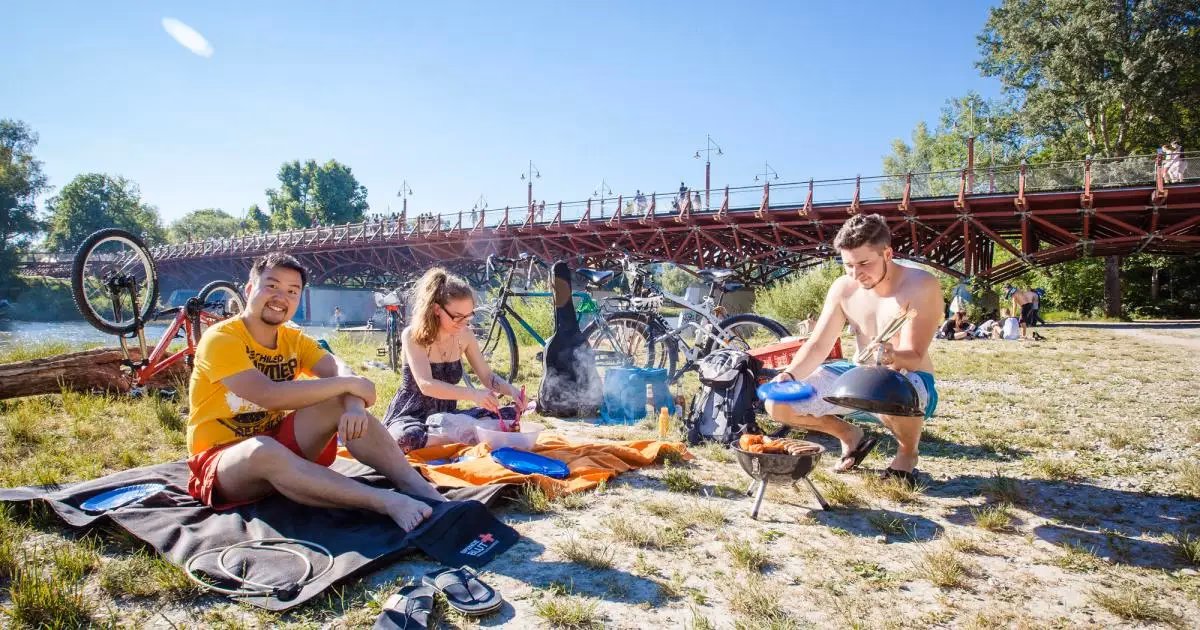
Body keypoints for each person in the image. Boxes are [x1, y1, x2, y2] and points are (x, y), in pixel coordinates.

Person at [186, 252, 443, 531]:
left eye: (292, 291)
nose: (280, 297)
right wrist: (348, 386)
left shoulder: (294, 339)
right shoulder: (222, 338)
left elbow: (343, 371)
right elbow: (267, 394)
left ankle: (414, 485)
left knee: (337, 403)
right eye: (271, 286)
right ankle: (385, 502)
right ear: (249, 289)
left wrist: (353, 406)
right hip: (222, 463)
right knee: (263, 449)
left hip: (276, 442)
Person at [764, 213, 942, 485]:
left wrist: (891, 355)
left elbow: (914, 357)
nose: (856, 274)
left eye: (864, 263)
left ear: (887, 254)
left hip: (908, 378)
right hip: (857, 375)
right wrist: (789, 375)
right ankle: (849, 435)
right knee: (778, 402)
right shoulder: (843, 288)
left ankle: (907, 455)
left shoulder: (920, 285)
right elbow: (818, 345)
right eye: (848, 265)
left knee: (885, 386)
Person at [382, 267, 524, 452]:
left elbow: (487, 377)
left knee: (510, 414)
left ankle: (454, 436)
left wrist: (512, 391)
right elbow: (426, 385)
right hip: (412, 416)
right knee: (406, 438)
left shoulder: (466, 335)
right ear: (437, 309)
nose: (464, 323)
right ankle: (462, 435)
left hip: (447, 416)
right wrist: (474, 394)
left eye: (468, 316)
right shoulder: (413, 335)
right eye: (457, 317)